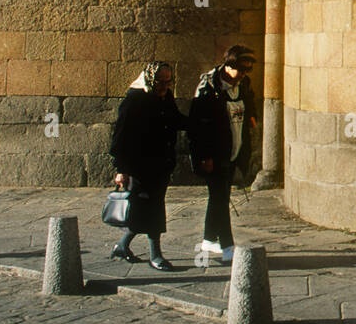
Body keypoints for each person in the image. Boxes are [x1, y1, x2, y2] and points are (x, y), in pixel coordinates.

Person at [108, 61, 186, 271]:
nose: (165, 86)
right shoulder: (134, 100)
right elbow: (119, 138)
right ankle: (156, 255)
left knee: (147, 208)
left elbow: (175, 119)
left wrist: (199, 122)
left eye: (168, 81)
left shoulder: (165, 97)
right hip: (139, 166)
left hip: (161, 163)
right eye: (161, 81)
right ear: (151, 79)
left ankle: (122, 246)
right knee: (152, 209)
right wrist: (121, 169)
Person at [188, 45, 259, 264]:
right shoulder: (208, 88)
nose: (244, 74)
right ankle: (228, 246)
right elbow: (197, 128)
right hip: (215, 153)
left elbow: (249, 103)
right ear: (228, 66)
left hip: (234, 150)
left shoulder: (242, 85)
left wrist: (251, 117)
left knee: (219, 198)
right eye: (240, 69)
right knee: (220, 198)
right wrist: (203, 157)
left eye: (248, 70)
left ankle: (209, 239)